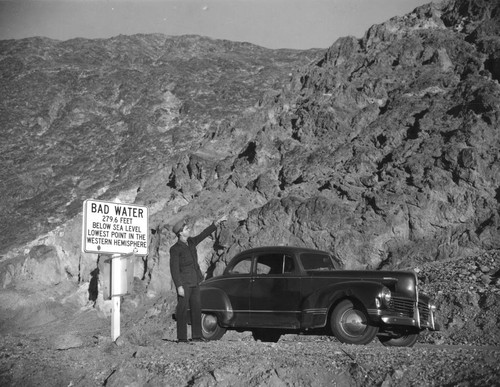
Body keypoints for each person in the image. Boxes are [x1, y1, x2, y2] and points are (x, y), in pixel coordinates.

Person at [169, 215, 226, 343]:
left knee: (196, 308)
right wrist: (179, 286)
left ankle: (196, 336)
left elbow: (203, 234)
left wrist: (215, 224)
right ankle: (182, 338)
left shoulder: (191, 242)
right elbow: (174, 269)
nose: (189, 229)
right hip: (184, 284)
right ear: (180, 233)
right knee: (182, 310)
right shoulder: (175, 249)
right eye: (186, 228)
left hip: (195, 281)